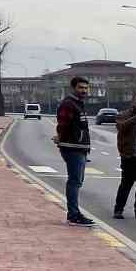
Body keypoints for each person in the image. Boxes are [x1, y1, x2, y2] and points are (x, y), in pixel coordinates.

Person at [54, 76, 94, 226]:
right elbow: (63, 124)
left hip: (80, 148)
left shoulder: (78, 104)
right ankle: (73, 215)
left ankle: (75, 213)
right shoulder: (69, 104)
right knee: (74, 181)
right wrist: (61, 137)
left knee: (77, 181)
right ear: (73, 88)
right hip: (72, 148)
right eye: (80, 88)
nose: (83, 90)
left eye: (85, 88)